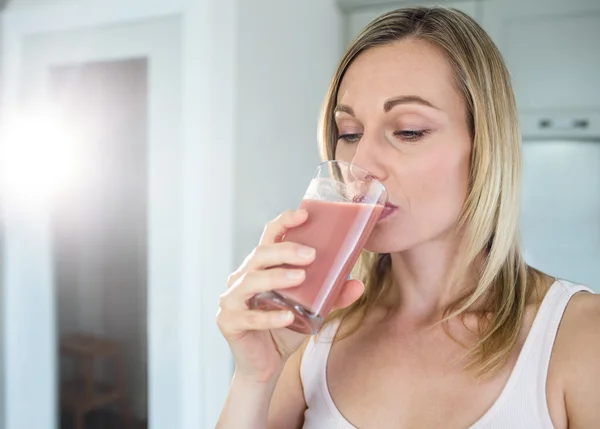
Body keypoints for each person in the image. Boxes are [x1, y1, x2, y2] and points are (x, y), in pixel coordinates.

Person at [215, 6, 600, 429]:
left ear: (485, 147)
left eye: (409, 130)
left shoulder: (581, 336)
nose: (363, 162)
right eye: (349, 133)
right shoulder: (310, 335)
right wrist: (255, 376)